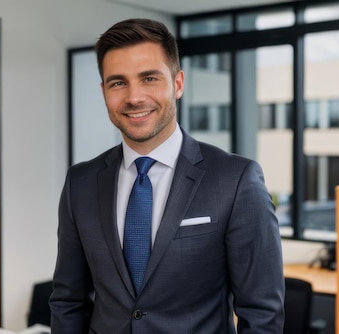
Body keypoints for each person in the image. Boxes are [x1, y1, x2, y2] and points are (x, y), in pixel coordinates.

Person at [49, 18, 284, 334]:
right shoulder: (80, 182)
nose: (134, 97)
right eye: (118, 82)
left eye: (149, 78)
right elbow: (68, 301)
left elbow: (262, 314)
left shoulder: (236, 180)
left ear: (177, 83)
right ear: (104, 91)